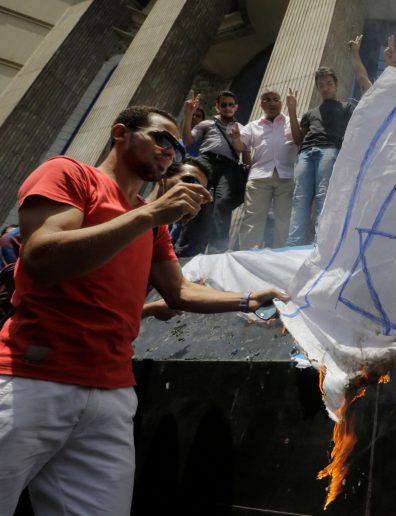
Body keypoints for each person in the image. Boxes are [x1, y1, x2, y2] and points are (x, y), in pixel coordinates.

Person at [0, 105, 289, 515]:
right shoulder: (70, 175)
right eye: (162, 139)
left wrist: (249, 299)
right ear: (121, 133)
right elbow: (43, 258)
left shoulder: (151, 224)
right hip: (32, 381)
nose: (170, 151)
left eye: (176, 147)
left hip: (112, 397)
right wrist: (151, 213)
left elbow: (180, 291)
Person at [285, 67, 355, 246]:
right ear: (317, 88)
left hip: (330, 150)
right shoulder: (310, 113)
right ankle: (293, 246)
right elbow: (298, 138)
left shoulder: (347, 107)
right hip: (306, 153)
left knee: (324, 197)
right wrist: (292, 111)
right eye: (321, 85)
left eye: (329, 84)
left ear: (336, 85)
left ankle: (320, 245)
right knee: (300, 198)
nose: (325, 88)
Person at [182, 90, 249, 253]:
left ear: (236, 107)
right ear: (217, 107)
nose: (227, 108)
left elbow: (247, 159)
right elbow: (188, 140)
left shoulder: (242, 128)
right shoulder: (206, 124)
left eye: (230, 105)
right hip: (206, 162)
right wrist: (188, 115)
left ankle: (216, 250)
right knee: (198, 200)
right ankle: (187, 249)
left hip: (229, 167)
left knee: (223, 202)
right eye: (224, 105)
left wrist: (239, 141)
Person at [231, 90, 297, 249]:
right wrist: (235, 139)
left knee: (284, 219)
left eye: (276, 99)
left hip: (286, 176)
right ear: (261, 105)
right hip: (259, 177)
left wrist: (293, 110)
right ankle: (247, 255)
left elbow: (300, 137)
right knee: (253, 218)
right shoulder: (253, 126)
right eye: (267, 100)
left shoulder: (292, 121)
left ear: (281, 103)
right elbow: (241, 146)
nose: (272, 103)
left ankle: (281, 254)